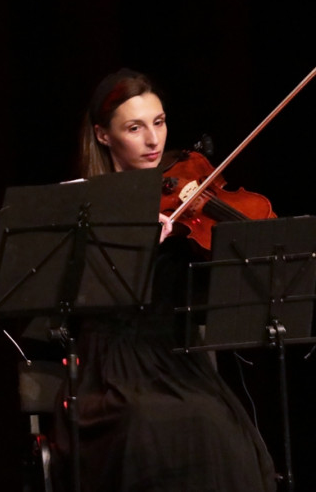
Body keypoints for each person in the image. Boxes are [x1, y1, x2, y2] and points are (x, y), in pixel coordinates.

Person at [51, 68, 278, 491]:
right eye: (135, 128)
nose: (154, 140)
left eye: (159, 122)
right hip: (111, 366)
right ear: (104, 136)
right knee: (153, 426)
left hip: (179, 358)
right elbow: (69, 303)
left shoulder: (185, 187)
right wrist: (132, 238)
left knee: (218, 429)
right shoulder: (84, 202)